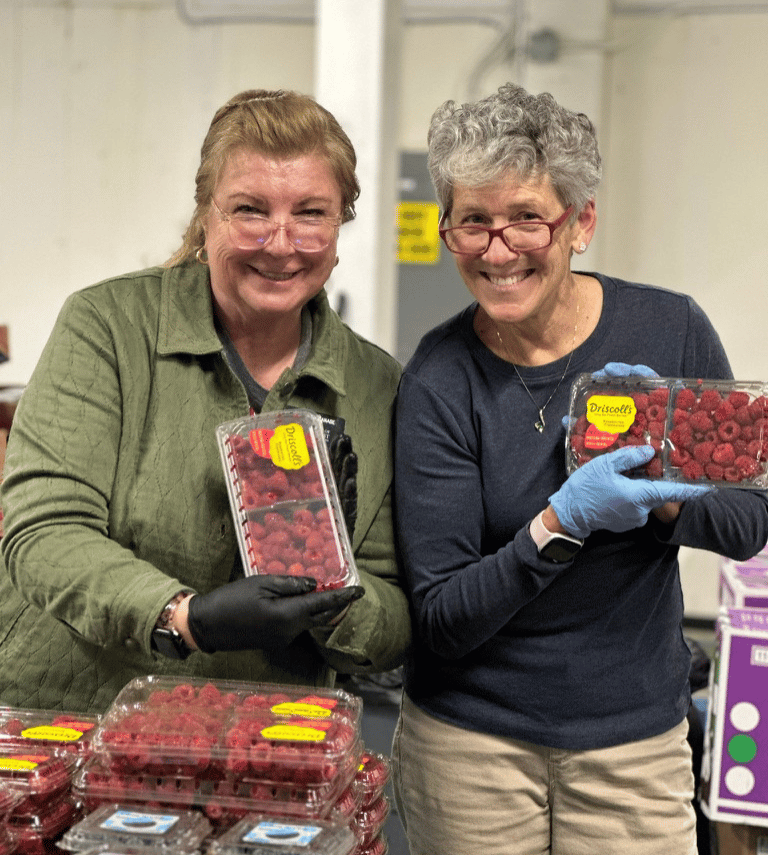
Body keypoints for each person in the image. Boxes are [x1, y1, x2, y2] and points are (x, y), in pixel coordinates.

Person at [391, 82, 768, 855]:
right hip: (471, 748)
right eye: (474, 223)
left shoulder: (671, 329)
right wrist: (560, 523)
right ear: (448, 230)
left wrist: (663, 491)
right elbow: (442, 616)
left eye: (527, 218)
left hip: (633, 745)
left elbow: (747, 522)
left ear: (580, 222)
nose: (499, 250)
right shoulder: (438, 377)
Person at [0, 88, 410, 713]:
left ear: (339, 224)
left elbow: (393, 616)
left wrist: (333, 588)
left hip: (265, 741)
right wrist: (185, 617)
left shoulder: (377, 384)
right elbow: (44, 532)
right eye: (249, 209)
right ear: (206, 214)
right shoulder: (109, 327)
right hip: (71, 721)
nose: (280, 242)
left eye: (310, 213)